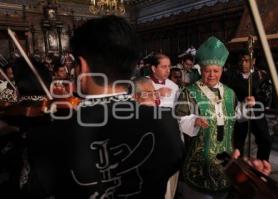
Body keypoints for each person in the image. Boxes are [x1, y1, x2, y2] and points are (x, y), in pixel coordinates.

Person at [22, 15, 184, 199]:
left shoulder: (46, 134)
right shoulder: (165, 122)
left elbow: (31, 191)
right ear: (132, 65)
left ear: (82, 66)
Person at [175, 36, 271, 199]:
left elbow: (235, 116)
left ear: (222, 70)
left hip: (226, 159)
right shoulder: (189, 92)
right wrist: (194, 121)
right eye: (207, 71)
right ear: (201, 70)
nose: (212, 75)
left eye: (216, 71)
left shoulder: (229, 92)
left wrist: (246, 107)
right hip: (199, 162)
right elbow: (179, 118)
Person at [223, 52, 272, 161]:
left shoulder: (262, 75)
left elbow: (267, 96)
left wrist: (257, 100)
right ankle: (237, 166)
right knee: (237, 143)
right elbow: (224, 91)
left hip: (256, 111)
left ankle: (262, 166)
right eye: (241, 60)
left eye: (246, 60)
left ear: (253, 61)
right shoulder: (230, 74)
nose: (243, 63)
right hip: (239, 111)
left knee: (265, 140)